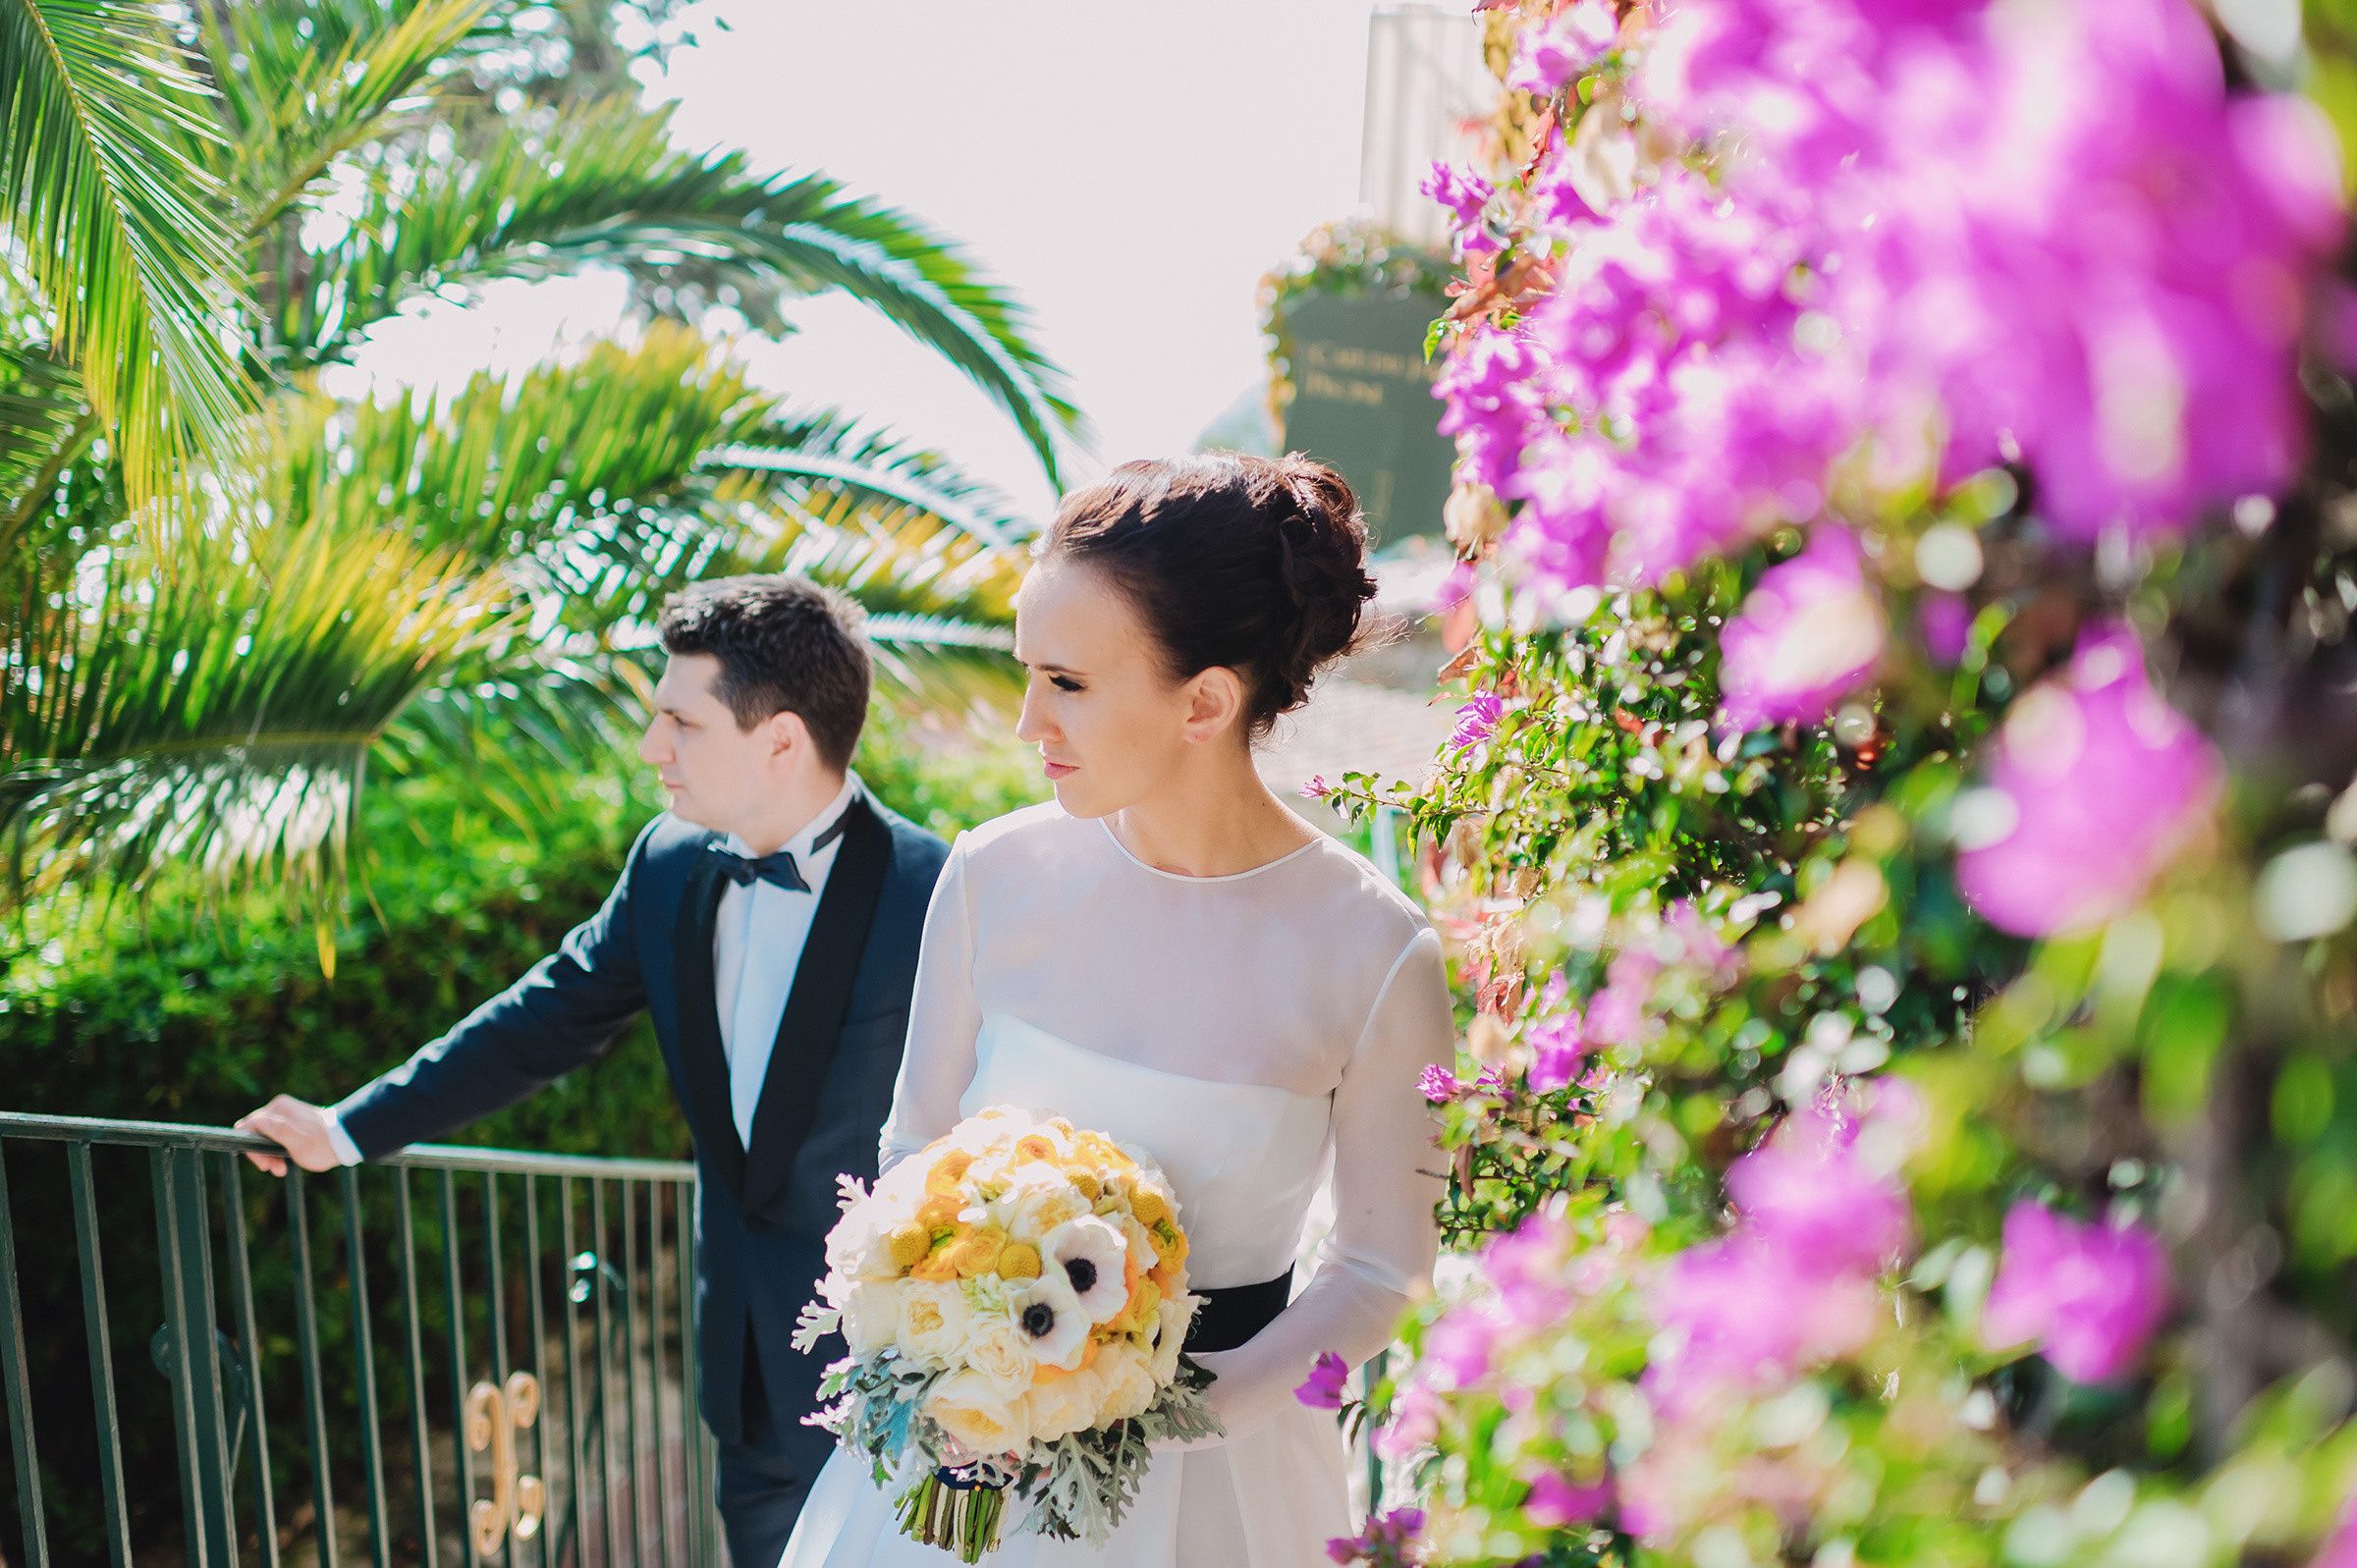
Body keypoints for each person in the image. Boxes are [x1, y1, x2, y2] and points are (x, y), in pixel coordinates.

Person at [782, 454, 1454, 1566]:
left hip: (1224, 1493)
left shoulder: (1375, 950)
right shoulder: (992, 875)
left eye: (1068, 682)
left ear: (1204, 701)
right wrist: (956, 1361)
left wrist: (1177, 1413)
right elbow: (914, 1145)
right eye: (1026, 673)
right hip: (960, 1471)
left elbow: (1382, 1269)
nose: (1025, 721)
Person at [235, 574, 951, 1566]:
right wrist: (348, 1126)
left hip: (902, 1389)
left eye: (679, 722)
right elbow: (544, 1019)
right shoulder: (666, 866)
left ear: (781, 741)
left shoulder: (940, 894)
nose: (654, 747)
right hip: (743, 1377)